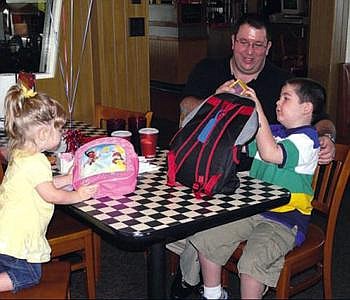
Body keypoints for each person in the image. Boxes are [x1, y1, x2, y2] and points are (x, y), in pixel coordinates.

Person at [170, 13, 336, 299]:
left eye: (258, 45)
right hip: (220, 174)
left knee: (217, 238)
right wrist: (217, 100)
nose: (250, 51)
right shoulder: (209, 69)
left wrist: (328, 136)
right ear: (233, 42)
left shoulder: (285, 84)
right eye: (244, 42)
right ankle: (191, 279)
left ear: (268, 47)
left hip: (269, 195)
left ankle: (191, 273)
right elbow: (187, 113)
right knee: (191, 225)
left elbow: (318, 121)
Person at [188, 77, 325, 299]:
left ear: (307, 107)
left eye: (286, 98)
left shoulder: (308, 140)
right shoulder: (272, 131)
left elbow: (271, 153)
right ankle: (213, 295)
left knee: (252, 263)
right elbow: (227, 139)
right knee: (207, 238)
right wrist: (221, 101)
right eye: (279, 97)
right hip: (253, 208)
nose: (278, 102)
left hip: (285, 220)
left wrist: (256, 107)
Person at [0, 83, 98, 293]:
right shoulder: (36, 161)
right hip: (18, 237)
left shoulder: (20, 153)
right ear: (43, 133)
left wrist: (68, 178)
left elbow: (41, 185)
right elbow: (52, 195)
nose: (62, 134)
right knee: (28, 275)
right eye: (59, 128)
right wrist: (77, 195)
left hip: (7, 231)